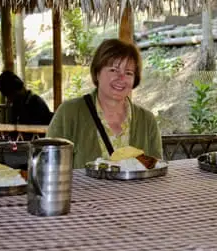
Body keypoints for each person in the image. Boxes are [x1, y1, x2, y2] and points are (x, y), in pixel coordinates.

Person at [46, 38, 163, 168]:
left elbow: (156, 169)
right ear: (97, 73)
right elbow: (49, 165)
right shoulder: (69, 113)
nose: (121, 78)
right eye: (113, 70)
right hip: (82, 189)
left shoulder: (147, 120)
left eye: (128, 73)